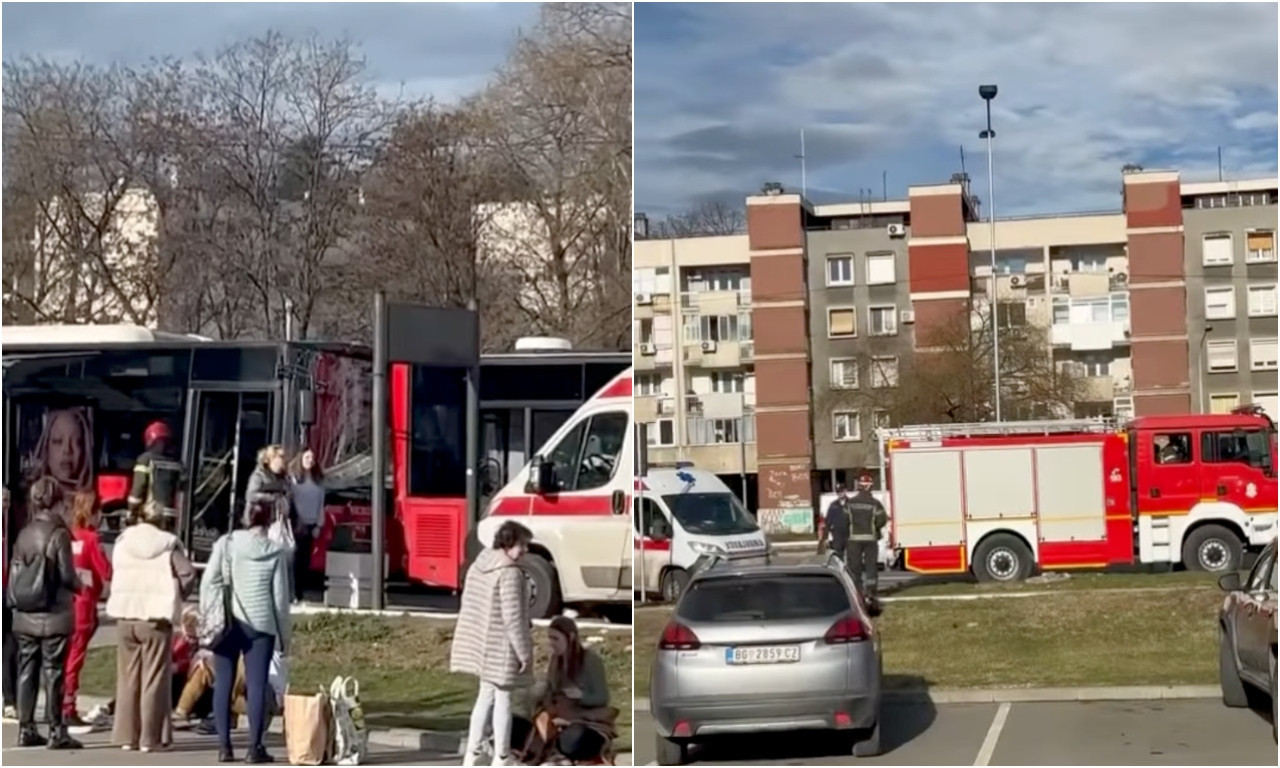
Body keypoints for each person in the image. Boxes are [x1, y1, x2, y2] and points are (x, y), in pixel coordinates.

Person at [199, 499, 291, 764]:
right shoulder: (276, 552)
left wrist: (209, 614)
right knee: (257, 684)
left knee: (223, 683)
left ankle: (224, 747)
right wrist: (285, 639)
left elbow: (209, 582)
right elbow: (280, 600)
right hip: (261, 625)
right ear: (269, 522)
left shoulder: (226, 544)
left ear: (243, 519)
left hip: (227, 621)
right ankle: (255, 747)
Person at [107, 500, 198, 752]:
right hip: (155, 618)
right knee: (154, 679)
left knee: (127, 678)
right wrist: (177, 593)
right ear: (162, 520)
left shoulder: (123, 542)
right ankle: (150, 738)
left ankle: (127, 736)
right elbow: (188, 574)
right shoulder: (168, 544)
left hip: (126, 615)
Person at [451, 521, 535, 767]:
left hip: (482, 643)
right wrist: (525, 653)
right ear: (508, 544)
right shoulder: (509, 573)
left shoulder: (481, 565)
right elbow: (514, 619)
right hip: (502, 647)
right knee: (503, 700)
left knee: (484, 697)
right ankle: (502, 756)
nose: (525, 550)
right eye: (522, 545)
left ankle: (472, 753)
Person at [7, 476, 82, 749]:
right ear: (57, 502)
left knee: (27, 669)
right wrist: (81, 585)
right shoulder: (59, 534)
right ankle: (55, 730)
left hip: (25, 614)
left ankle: (26, 728)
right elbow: (67, 576)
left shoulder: (24, 533)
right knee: (54, 672)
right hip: (54, 615)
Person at [513, 617, 616, 765]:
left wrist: (580, 696)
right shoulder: (555, 660)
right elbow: (550, 689)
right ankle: (550, 748)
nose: (552, 643)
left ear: (571, 637)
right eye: (550, 638)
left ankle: (560, 750)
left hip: (584, 720)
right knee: (515, 724)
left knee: (571, 739)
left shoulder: (591, 661)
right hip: (557, 718)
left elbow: (602, 697)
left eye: (556, 639)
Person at [63, 490, 113, 727]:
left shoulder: (69, 535)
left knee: (63, 658)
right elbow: (106, 571)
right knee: (76, 658)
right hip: (84, 606)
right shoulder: (92, 540)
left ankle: (61, 702)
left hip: (65, 604)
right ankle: (68, 706)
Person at [289, 448, 327, 603]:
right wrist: (295, 520)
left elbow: (321, 504)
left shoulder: (318, 480)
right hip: (297, 524)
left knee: (305, 561)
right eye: (307, 457)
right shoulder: (294, 479)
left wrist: (319, 525)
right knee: (295, 559)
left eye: (312, 457)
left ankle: (299, 593)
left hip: (311, 525)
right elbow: (290, 501)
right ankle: (293, 593)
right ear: (301, 458)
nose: (310, 460)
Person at [28, 407, 94, 493]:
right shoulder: (27, 498)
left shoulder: (94, 500)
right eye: (58, 441)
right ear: (46, 448)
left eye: (77, 442)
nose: (67, 450)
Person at [127, 420, 183, 521]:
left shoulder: (145, 460)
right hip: (172, 518)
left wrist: (131, 511)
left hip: (150, 515)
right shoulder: (176, 462)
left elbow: (139, 487)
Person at [846, 475, 889, 596]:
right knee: (871, 566)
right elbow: (882, 519)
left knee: (855, 567)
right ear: (870, 487)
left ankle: (857, 591)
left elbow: (844, 520)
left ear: (859, 486)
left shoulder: (850, 503)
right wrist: (875, 528)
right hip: (871, 539)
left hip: (854, 539)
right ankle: (871, 591)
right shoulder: (875, 503)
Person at [3, 487, 17, 720]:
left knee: (10, 646)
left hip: (8, 592)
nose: (5, 504)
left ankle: (9, 699)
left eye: (7, 500)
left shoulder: (12, 527)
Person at [824, 486, 851, 563]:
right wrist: (825, 536)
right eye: (838, 492)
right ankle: (840, 571)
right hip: (837, 534)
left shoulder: (851, 503)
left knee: (851, 555)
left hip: (849, 533)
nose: (840, 494)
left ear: (845, 491)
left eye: (841, 492)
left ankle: (850, 573)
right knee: (838, 555)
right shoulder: (833, 505)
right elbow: (828, 521)